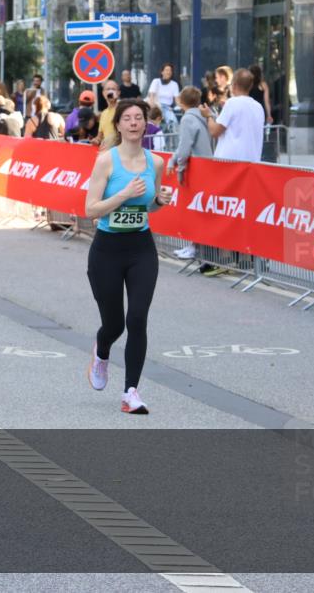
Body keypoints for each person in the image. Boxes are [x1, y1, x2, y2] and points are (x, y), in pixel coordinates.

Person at [84, 99, 171, 415]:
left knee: (137, 318)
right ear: (118, 125)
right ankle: (101, 352)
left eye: (139, 118)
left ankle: (130, 392)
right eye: (128, 118)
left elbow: (150, 206)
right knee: (114, 324)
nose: (134, 123)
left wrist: (160, 200)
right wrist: (123, 195)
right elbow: (90, 209)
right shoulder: (106, 161)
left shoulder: (156, 163)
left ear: (146, 124)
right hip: (107, 250)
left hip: (141, 249)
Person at [167, 86, 213, 262]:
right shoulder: (206, 115)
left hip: (196, 169)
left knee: (195, 209)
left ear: (181, 101)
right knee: (201, 208)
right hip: (208, 166)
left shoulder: (187, 119)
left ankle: (194, 246)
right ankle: (196, 246)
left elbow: (184, 146)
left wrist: (178, 166)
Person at [203, 69, 265, 163]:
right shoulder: (259, 107)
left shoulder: (232, 103)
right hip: (251, 163)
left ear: (234, 85)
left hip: (230, 164)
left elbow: (214, 131)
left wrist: (208, 115)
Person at [147, 63, 180, 131]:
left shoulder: (174, 84)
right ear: (162, 72)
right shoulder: (156, 81)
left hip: (167, 108)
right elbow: (151, 96)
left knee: (173, 122)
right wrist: (154, 108)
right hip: (156, 106)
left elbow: (177, 100)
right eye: (167, 70)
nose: (168, 72)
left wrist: (181, 107)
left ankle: (172, 134)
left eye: (170, 70)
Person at [94, 79, 122, 147]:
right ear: (103, 93)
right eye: (108, 89)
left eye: (113, 89)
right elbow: (100, 136)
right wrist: (96, 140)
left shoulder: (122, 109)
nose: (110, 91)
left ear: (118, 92)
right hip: (107, 150)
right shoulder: (103, 113)